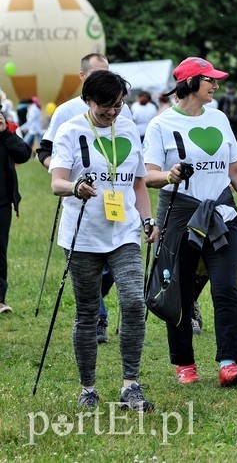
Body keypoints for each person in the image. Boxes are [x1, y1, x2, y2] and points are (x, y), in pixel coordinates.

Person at [49, 70, 157, 410]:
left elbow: (138, 183)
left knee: (134, 302)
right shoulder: (70, 131)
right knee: (87, 313)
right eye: (105, 106)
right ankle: (88, 389)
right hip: (82, 236)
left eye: (118, 105)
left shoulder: (128, 128)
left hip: (123, 232)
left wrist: (147, 218)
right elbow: (57, 182)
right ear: (88, 101)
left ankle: (131, 384)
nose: (112, 112)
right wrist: (75, 187)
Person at [143, 56, 237, 387]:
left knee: (226, 288)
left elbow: (235, 169)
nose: (216, 86)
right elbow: (148, 176)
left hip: (222, 214)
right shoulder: (160, 125)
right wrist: (169, 174)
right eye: (210, 81)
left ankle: (229, 362)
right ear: (191, 83)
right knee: (180, 291)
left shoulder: (219, 118)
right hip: (181, 217)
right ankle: (184, 364)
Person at [37, 53, 130, 343]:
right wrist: (68, 177)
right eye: (96, 75)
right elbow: (44, 151)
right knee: (88, 261)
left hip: (114, 204)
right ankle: (98, 318)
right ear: (83, 78)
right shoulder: (66, 112)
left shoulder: (116, 110)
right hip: (80, 196)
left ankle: (95, 302)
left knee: (109, 271)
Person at [0, 108, 31, 314]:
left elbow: (24, 154)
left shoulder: (6, 135)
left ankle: (0, 300)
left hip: (1, 202)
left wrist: (4, 132)